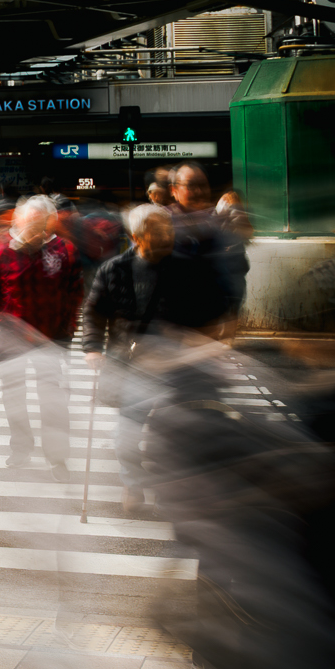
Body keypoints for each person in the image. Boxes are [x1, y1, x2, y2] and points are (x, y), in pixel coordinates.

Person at [81, 204, 235, 513]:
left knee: (177, 432)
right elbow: (94, 313)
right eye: (158, 232)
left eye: (169, 230)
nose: (167, 236)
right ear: (137, 237)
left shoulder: (189, 268)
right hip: (132, 363)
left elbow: (212, 311)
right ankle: (132, 483)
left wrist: (208, 341)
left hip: (179, 365)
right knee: (126, 435)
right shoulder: (114, 269)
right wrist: (93, 348)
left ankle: (179, 488)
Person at [0, 195, 83, 477]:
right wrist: (2, 323)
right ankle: (21, 447)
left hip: (52, 336)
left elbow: (75, 292)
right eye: (31, 223)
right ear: (19, 222)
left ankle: (57, 457)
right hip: (12, 337)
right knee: (14, 397)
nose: (37, 230)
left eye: (42, 224)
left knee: (53, 400)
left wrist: (67, 329)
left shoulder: (64, 250)